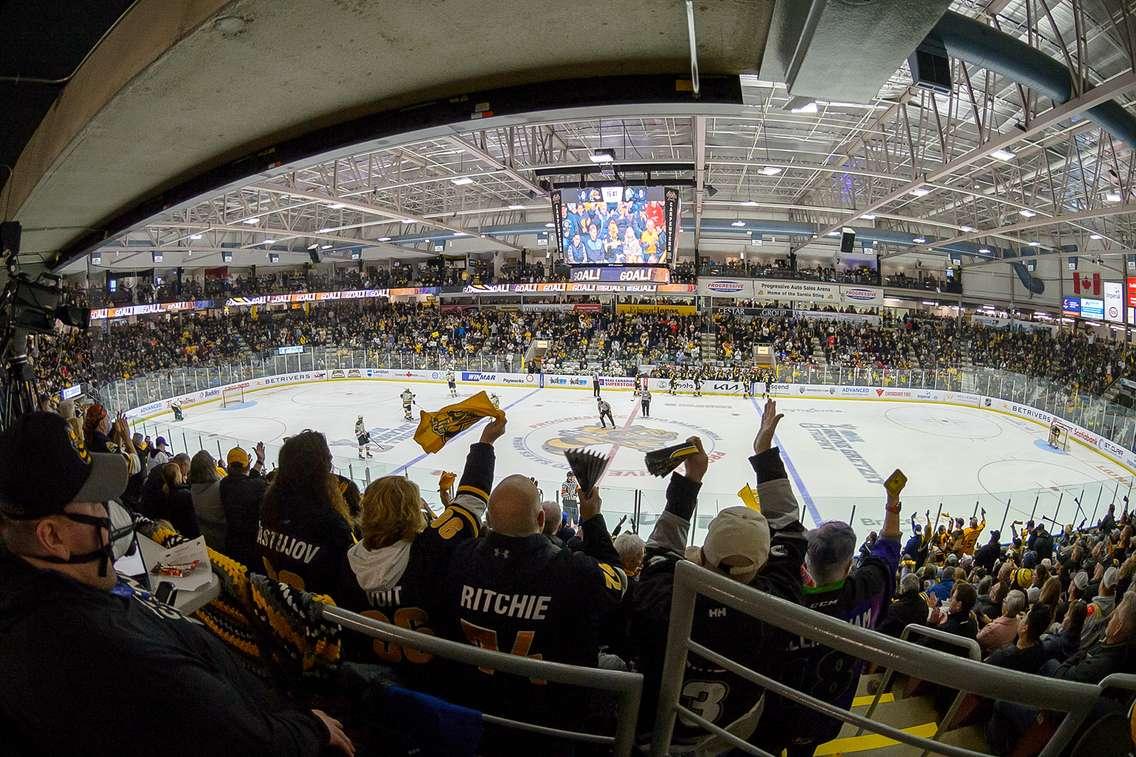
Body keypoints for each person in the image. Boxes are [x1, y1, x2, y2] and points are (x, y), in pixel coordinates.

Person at [0, 412, 353, 756]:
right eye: (94, 502)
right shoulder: (102, 650)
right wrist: (311, 730)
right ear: (52, 537)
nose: (108, 515)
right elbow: (243, 738)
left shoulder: (64, 591)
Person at [631, 400, 807, 749]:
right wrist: (764, 452)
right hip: (731, 733)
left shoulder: (666, 605)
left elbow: (659, 556)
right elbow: (789, 531)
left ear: (703, 555)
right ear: (762, 564)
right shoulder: (779, 606)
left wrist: (691, 479)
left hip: (656, 731)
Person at [440, 459, 628, 744]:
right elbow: (618, 581)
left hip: (481, 711)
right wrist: (592, 519)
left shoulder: (460, 559)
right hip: (552, 722)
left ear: (488, 520)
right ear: (541, 521)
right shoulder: (571, 571)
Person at [339, 417, 503, 676]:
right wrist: (485, 443)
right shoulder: (432, 550)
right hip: (435, 677)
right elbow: (471, 503)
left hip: (374, 679)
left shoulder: (346, 560)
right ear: (412, 512)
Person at [756, 476, 902, 756]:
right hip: (826, 717)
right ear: (849, 566)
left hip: (773, 714)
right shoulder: (867, 590)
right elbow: (888, 550)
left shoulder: (784, 600)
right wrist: (892, 502)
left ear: (806, 562)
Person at [257, 431, 356, 595]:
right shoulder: (331, 526)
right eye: (328, 462)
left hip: (279, 607)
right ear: (319, 471)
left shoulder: (268, 512)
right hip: (320, 614)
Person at [219, 444, 268, 569]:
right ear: (247, 465)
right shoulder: (257, 486)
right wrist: (260, 461)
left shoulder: (224, 484)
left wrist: (258, 463)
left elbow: (245, 481)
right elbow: (251, 481)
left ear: (228, 466)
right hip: (252, 545)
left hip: (232, 543)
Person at [140, 462, 200, 539]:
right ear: (178, 475)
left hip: (173, 530)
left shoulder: (163, 494)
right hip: (188, 533)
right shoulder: (185, 494)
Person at [986, 603, 1052, 673]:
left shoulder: (1001, 657)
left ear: (1025, 628)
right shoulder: (1041, 652)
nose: (1020, 619)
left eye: (1023, 618)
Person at [188, 449, 226, 551]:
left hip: (205, 538)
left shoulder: (193, 489)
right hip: (223, 539)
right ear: (211, 468)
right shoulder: (220, 487)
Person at [878, 572, 931, 637]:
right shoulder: (924, 604)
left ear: (903, 588)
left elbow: (882, 630)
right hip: (915, 641)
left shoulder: (896, 608)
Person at [977, 588, 1027, 655]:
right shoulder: (1018, 621)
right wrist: (990, 621)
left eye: (1005, 600)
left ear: (1007, 609)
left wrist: (975, 622)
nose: (1003, 600)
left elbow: (977, 639)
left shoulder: (992, 628)